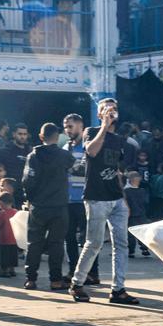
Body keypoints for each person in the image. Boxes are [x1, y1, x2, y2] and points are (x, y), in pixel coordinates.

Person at [68, 98, 139, 305]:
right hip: (96, 198)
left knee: (121, 244)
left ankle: (118, 290)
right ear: (99, 114)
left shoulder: (119, 140)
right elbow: (91, 151)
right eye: (106, 109)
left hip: (116, 198)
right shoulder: (90, 131)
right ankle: (77, 283)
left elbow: (117, 171)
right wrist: (104, 127)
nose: (111, 112)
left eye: (114, 109)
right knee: (94, 243)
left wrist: (123, 198)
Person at [22, 123, 75, 291]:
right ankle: (56, 280)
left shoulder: (33, 156)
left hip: (39, 205)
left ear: (40, 136)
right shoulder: (65, 156)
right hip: (59, 206)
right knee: (57, 244)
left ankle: (31, 279)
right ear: (57, 136)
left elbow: (27, 181)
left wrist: (29, 199)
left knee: (34, 243)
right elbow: (73, 166)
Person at [63, 114, 99, 284]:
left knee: (88, 240)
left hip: (87, 199)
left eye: (70, 126)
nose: (67, 130)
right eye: (65, 127)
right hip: (68, 201)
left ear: (80, 126)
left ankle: (92, 273)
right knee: (69, 238)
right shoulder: (65, 148)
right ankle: (73, 271)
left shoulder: (89, 146)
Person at [124, 171, 150, 258]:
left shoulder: (126, 191)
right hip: (141, 213)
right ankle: (144, 248)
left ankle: (131, 250)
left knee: (130, 233)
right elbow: (146, 202)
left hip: (131, 214)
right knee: (142, 232)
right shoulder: (142, 191)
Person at [0, 192, 17, 278]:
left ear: (1, 203)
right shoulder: (15, 212)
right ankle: (12, 269)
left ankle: (4, 270)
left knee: (4, 255)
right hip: (14, 238)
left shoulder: (2, 213)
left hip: (4, 239)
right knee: (13, 254)